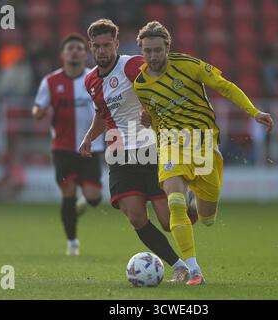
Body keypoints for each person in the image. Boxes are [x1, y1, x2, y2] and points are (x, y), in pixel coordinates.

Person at [134, 21, 274, 285]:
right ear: (141, 50)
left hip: (204, 145)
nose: (153, 56)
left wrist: (254, 112)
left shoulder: (189, 65)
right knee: (174, 201)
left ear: (167, 47)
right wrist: (149, 125)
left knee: (207, 218)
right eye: (147, 51)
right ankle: (193, 269)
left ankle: (196, 204)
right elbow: (154, 117)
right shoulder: (140, 85)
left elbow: (225, 86)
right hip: (171, 145)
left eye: (157, 50)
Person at [79, 19, 192, 282]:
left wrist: (151, 111)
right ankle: (179, 266)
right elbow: (101, 114)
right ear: (91, 47)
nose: (102, 50)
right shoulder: (90, 80)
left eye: (107, 45)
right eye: (97, 46)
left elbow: (159, 87)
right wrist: (88, 138)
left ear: (116, 44)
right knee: (136, 216)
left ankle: (193, 203)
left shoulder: (130, 65)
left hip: (151, 148)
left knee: (167, 221)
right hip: (119, 152)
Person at [32, 33, 105, 256]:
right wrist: (39, 112)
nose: (75, 51)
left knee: (93, 198)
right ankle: (72, 242)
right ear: (63, 54)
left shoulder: (95, 78)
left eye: (79, 48)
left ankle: (86, 200)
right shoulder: (51, 81)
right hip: (62, 148)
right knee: (68, 194)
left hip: (92, 147)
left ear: (86, 53)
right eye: (70, 48)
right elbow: (38, 107)